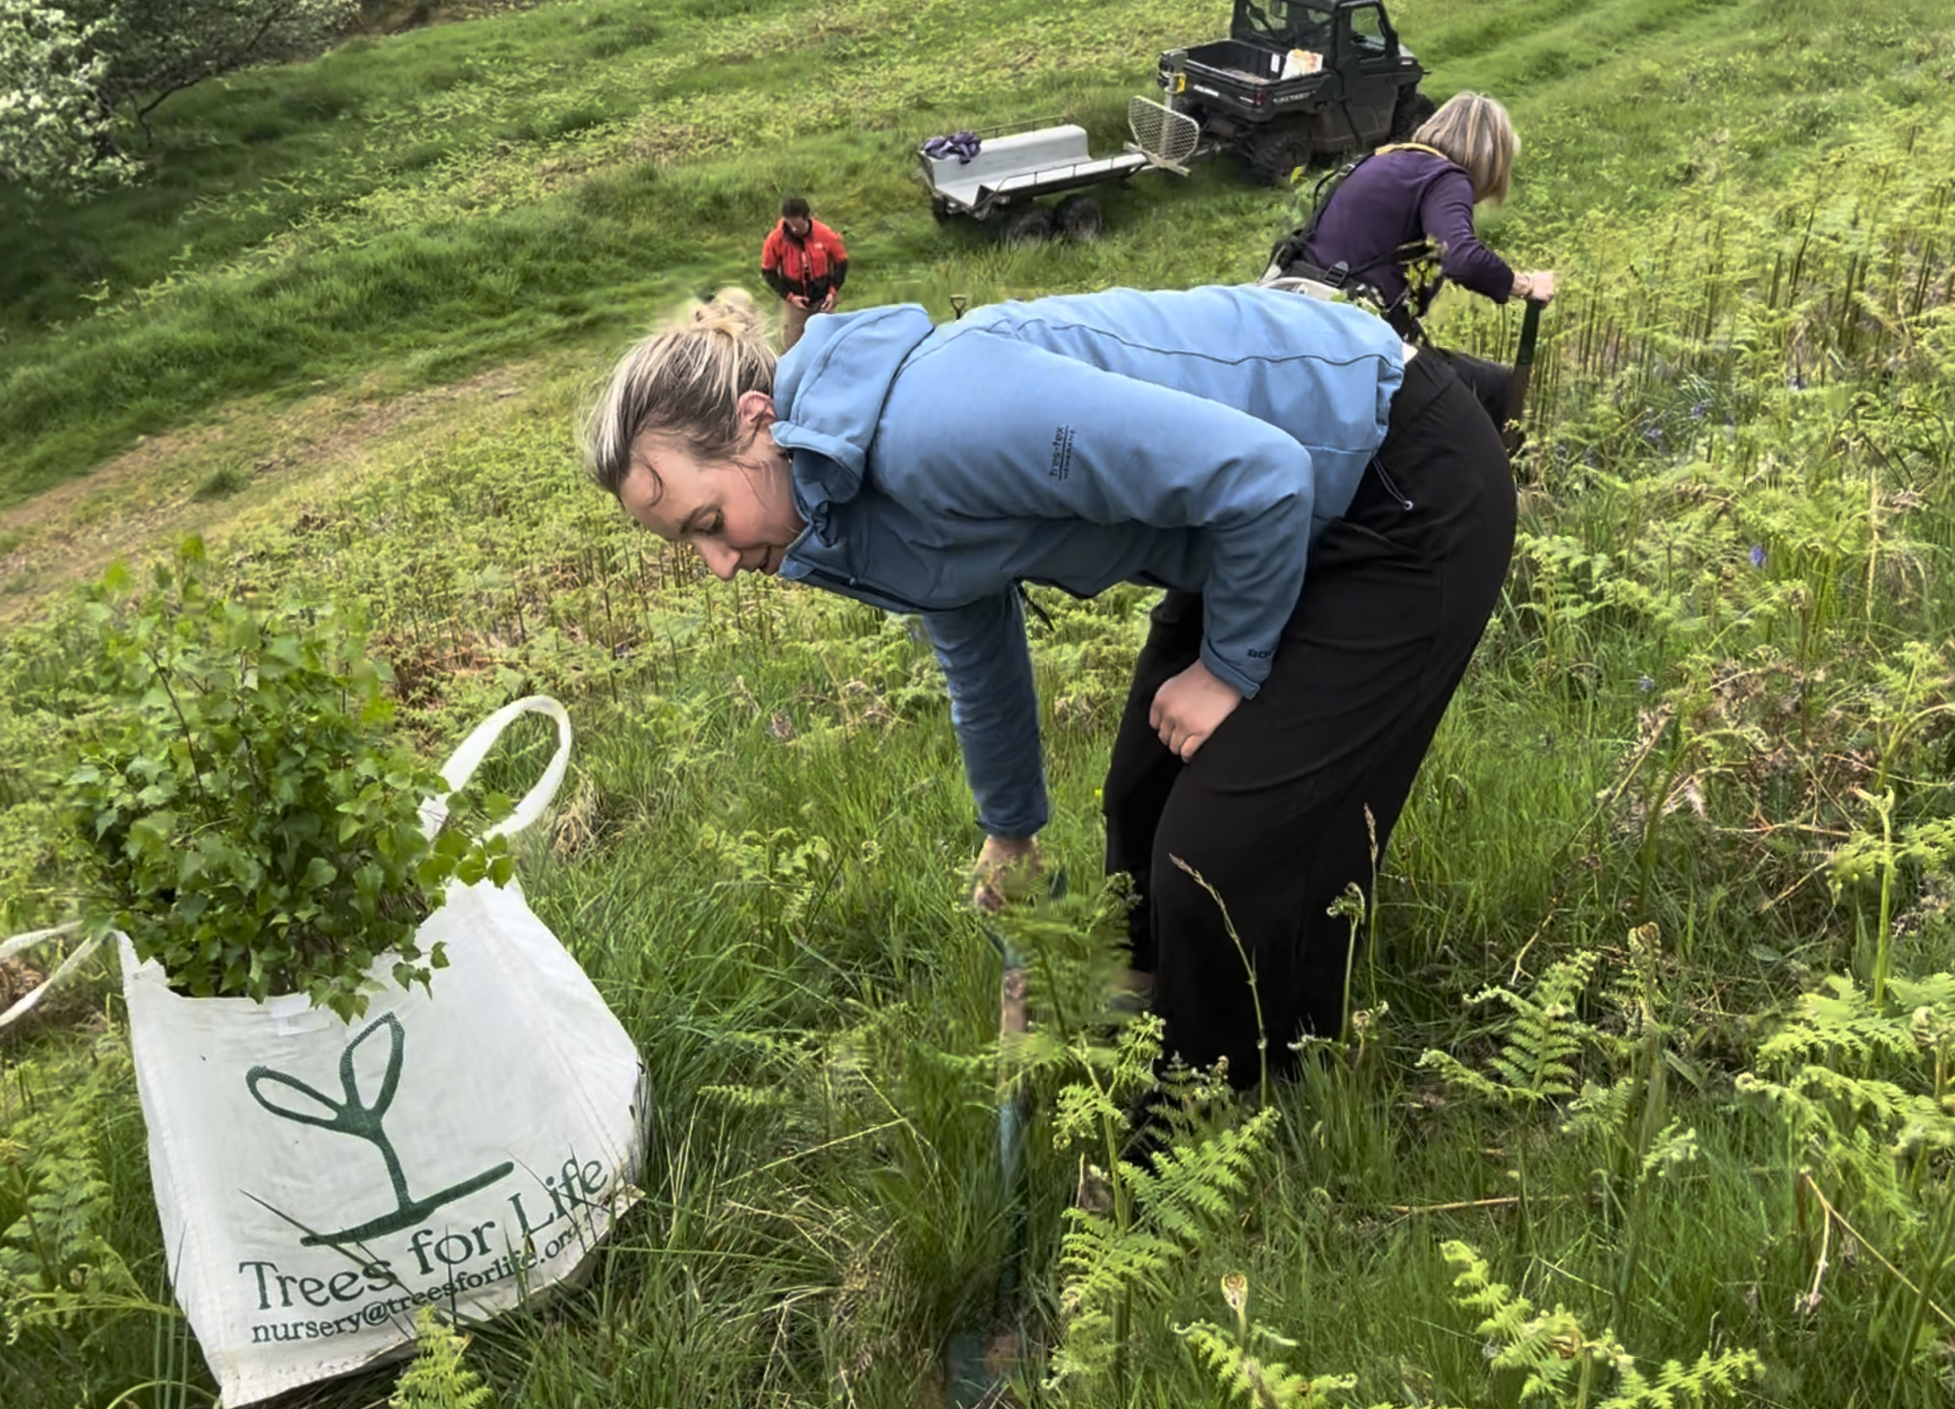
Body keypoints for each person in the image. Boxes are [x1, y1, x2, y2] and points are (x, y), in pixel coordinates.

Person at [580, 285, 1516, 1094]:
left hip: (1393, 482)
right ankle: (1145, 1039)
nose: (717, 565)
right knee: (1141, 803)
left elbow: (1263, 475)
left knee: (1220, 856)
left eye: (708, 520)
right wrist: (1011, 830)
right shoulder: (830, 492)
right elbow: (971, 630)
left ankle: (1217, 1118)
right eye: (687, 543)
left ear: (753, 420)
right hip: (1260, 520)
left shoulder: (933, 425)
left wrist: (1229, 670)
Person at [1278, 92, 1556, 426]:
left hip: (1301, 310)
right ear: (1490, 158)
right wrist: (1526, 285)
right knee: (1497, 388)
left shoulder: (1380, 160)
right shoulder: (1445, 177)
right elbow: (1463, 258)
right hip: (1352, 337)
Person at [760, 196, 848, 350]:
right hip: (795, 300)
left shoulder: (825, 234)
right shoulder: (775, 239)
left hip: (823, 298)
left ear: (807, 218)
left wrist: (832, 292)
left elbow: (841, 263)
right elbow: (768, 272)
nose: (793, 230)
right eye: (789, 225)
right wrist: (790, 297)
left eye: (797, 226)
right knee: (792, 344)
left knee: (829, 340)